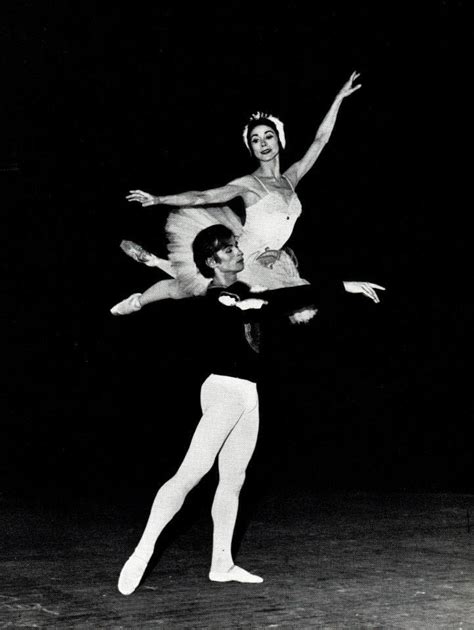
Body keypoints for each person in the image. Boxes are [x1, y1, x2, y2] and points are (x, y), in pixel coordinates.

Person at [117, 224, 385, 595]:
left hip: (248, 394)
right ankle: (142, 552)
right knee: (191, 472)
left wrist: (343, 286)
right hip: (223, 391)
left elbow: (288, 296)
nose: (239, 252)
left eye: (236, 246)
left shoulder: (244, 291)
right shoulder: (214, 296)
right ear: (212, 261)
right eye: (230, 250)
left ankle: (222, 564)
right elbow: (221, 300)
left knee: (234, 479)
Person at [111, 71, 362, 315]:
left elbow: (320, 140)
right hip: (243, 254)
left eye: (268, 136)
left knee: (282, 298)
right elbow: (203, 197)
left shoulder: (291, 178)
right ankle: (138, 298)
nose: (263, 144)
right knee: (186, 287)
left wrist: (338, 98)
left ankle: (157, 265)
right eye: (255, 140)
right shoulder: (249, 183)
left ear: (279, 140)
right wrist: (158, 199)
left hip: (269, 258)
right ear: (250, 148)